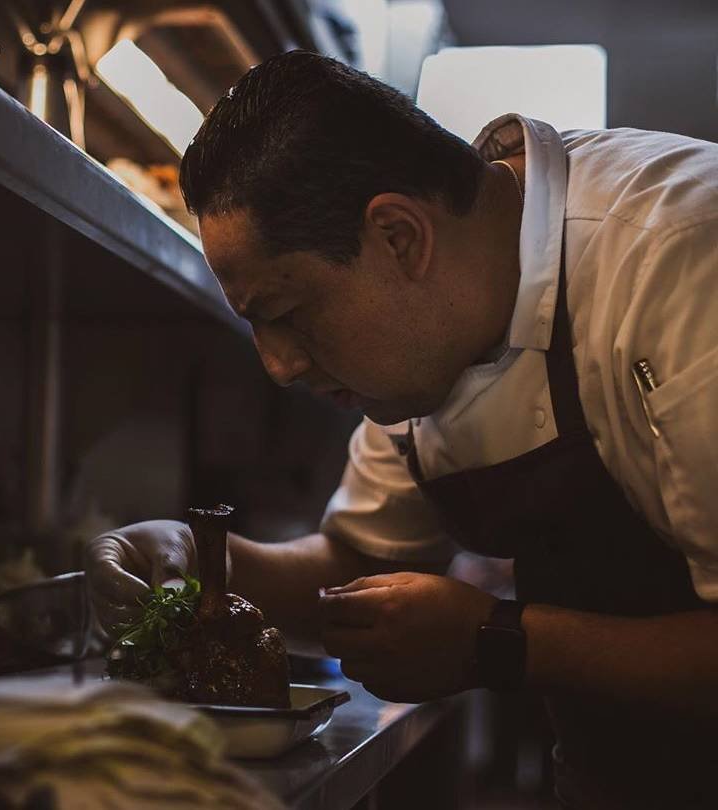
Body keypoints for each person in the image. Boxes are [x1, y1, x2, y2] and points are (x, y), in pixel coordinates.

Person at [86, 51, 718, 809]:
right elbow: (357, 558)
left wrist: (501, 641)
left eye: (285, 315)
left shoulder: (680, 261)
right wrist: (196, 564)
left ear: (398, 237)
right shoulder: (427, 338)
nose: (279, 366)